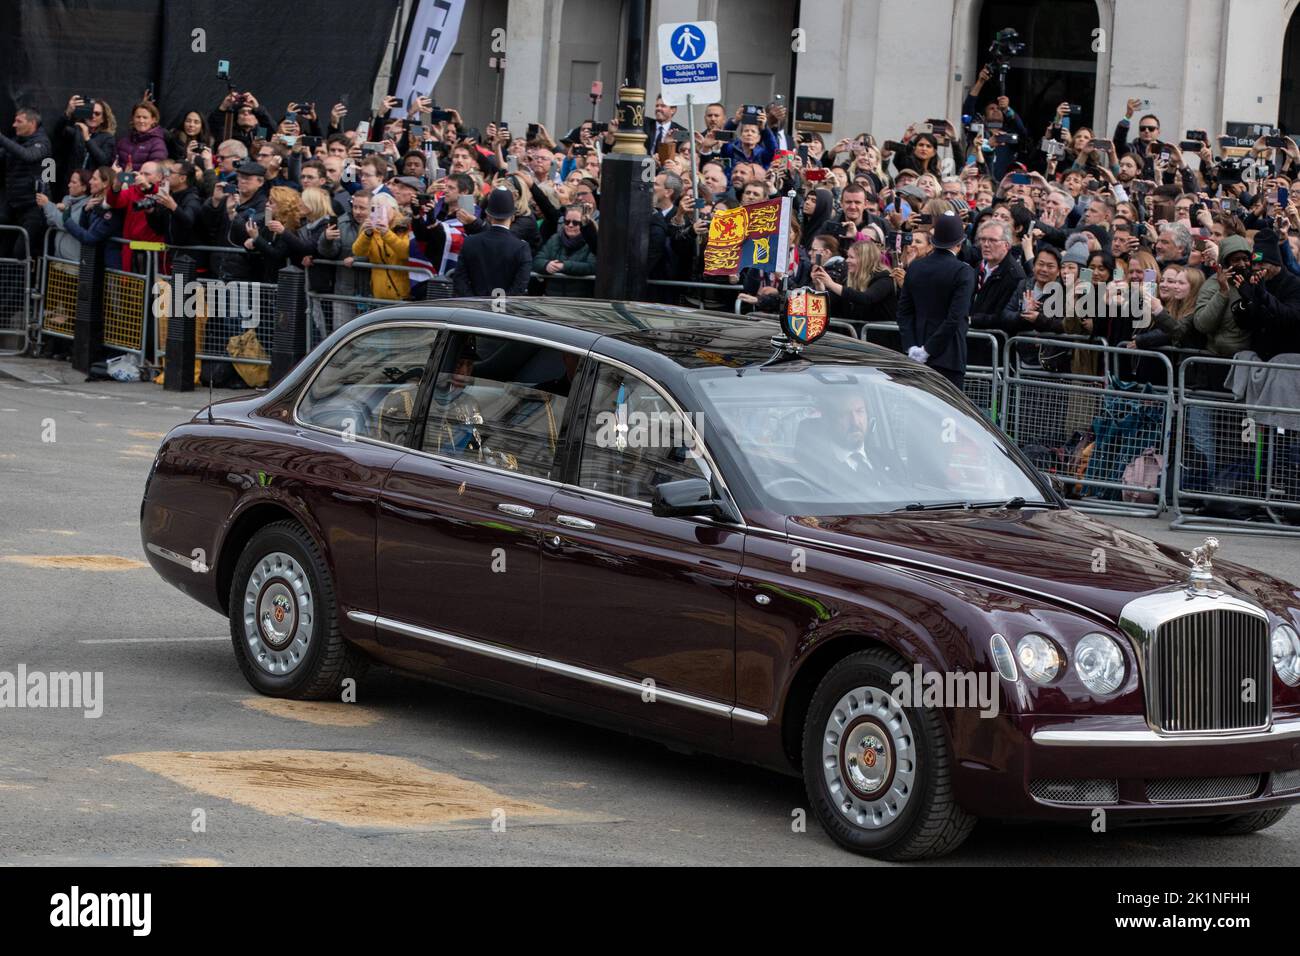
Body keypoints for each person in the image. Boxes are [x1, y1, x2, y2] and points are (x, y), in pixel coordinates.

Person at [896, 210, 976, 389]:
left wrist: (912, 348)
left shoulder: (915, 267)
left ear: (932, 241)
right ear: (960, 243)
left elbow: (904, 312)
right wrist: (927, 350)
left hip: (915, 354)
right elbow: (954, 318)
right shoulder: (963, 271)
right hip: (948, 356)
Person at [452, 187, 531, 297]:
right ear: (512, 216)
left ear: (488, 216)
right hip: (501, 310)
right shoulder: (521, 247)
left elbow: (460, 280)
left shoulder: (470, 242)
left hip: (473, 309)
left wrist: (474, 303)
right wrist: (498, 306)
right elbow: (519, 287)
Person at [0, 107, 53, 259]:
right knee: (4, 250)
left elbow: (28, 156)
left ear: (32, 123)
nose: (14, 125)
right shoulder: (17, 140)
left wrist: (2, 138)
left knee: (21, 253)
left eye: (19, 121)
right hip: (14, 205)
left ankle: (29, 282)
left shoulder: (42, 142)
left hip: (34, 208)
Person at [813, 238, 897, 326]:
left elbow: (866, 298)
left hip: (878, 337)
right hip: (852, 336)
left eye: (851, 257)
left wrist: (831, 284)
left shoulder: (885, 278)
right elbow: (831, 304)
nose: (847, 260)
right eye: (847, 256)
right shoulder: (847, 279)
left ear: (865, 259)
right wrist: (820, 287)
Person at [352, 193, 412, 300]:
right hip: (379, 293)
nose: (378, 213)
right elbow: (358, 252)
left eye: (382, 209)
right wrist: (367, 234)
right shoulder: (371, 228)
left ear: (393, 208)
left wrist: (387, 233)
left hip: (402, 293)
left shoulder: (405, 226)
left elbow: (406, 253)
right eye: (374, 209)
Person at [968, 218, 1026, 329]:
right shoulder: (978, 267)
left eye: (992, 240)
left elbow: (1004, 316)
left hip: (991, 340)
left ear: (1007, 245)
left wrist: (973, 320)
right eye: (983, 239)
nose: (986, 244)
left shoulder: (1014, 275)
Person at [533, 204, 595, 297]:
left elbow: (592, 266)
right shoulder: (555, 238)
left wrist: (564, 266)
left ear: (584, 223)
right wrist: (547, 265)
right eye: (567, 221)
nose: (570, 225)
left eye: (575, 223)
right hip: (552, 297)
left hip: (580, 299)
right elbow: (537, 260)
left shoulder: (592, 242)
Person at [37, 170, 93, 260]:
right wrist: (53, 208)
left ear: (84, 187)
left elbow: (64, 223)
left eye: (73, 182)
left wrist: (47, 205)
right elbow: (51, 221)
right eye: (70, 181)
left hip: (73, 264)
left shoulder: (88, 204)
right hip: (57, 260)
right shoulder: (66, 199)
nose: (69, 185)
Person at [58, 95, 116, 173]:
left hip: (92, 182)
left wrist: (87, 138)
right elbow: (59, 132)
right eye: (90, 112)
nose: (92, 116)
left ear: (103, 119)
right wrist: (68, 112)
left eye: (97, 114)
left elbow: (104, 161)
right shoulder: (76, 130)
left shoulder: (107, 138)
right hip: (73, 181)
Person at [115, 100, 168, 169]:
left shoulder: (157, 144)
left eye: (145, 117)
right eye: (138, 117)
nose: (141, 121)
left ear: (153, 120)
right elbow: (113, 163)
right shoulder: (123, 141)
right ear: (133, 118)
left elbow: (155, 171)